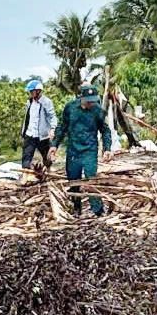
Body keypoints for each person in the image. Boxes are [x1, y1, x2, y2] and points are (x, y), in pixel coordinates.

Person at [48, 84, 113, 217]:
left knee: (91, 179)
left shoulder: (98, 111)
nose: (91, 103)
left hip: (90, 150)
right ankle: (76, 208)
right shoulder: (70, 108)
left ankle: (98, 211)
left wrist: (107, 148)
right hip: (73, 150)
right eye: (89, 100)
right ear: (81, 98)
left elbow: (105, 130)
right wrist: (54, 145)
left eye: (93, 100)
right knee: (73, 180)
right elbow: (62, 127)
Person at [22, 80, 56, 170]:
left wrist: (52, 128)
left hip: (42, 136)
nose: (30, 93)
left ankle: (47, 173)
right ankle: (25, 174)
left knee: (47, 158)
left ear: (38, 91)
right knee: (26, 157)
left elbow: (52, 116)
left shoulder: (46, 102)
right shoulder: (29, 102)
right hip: (30, 134)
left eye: (31, 91)